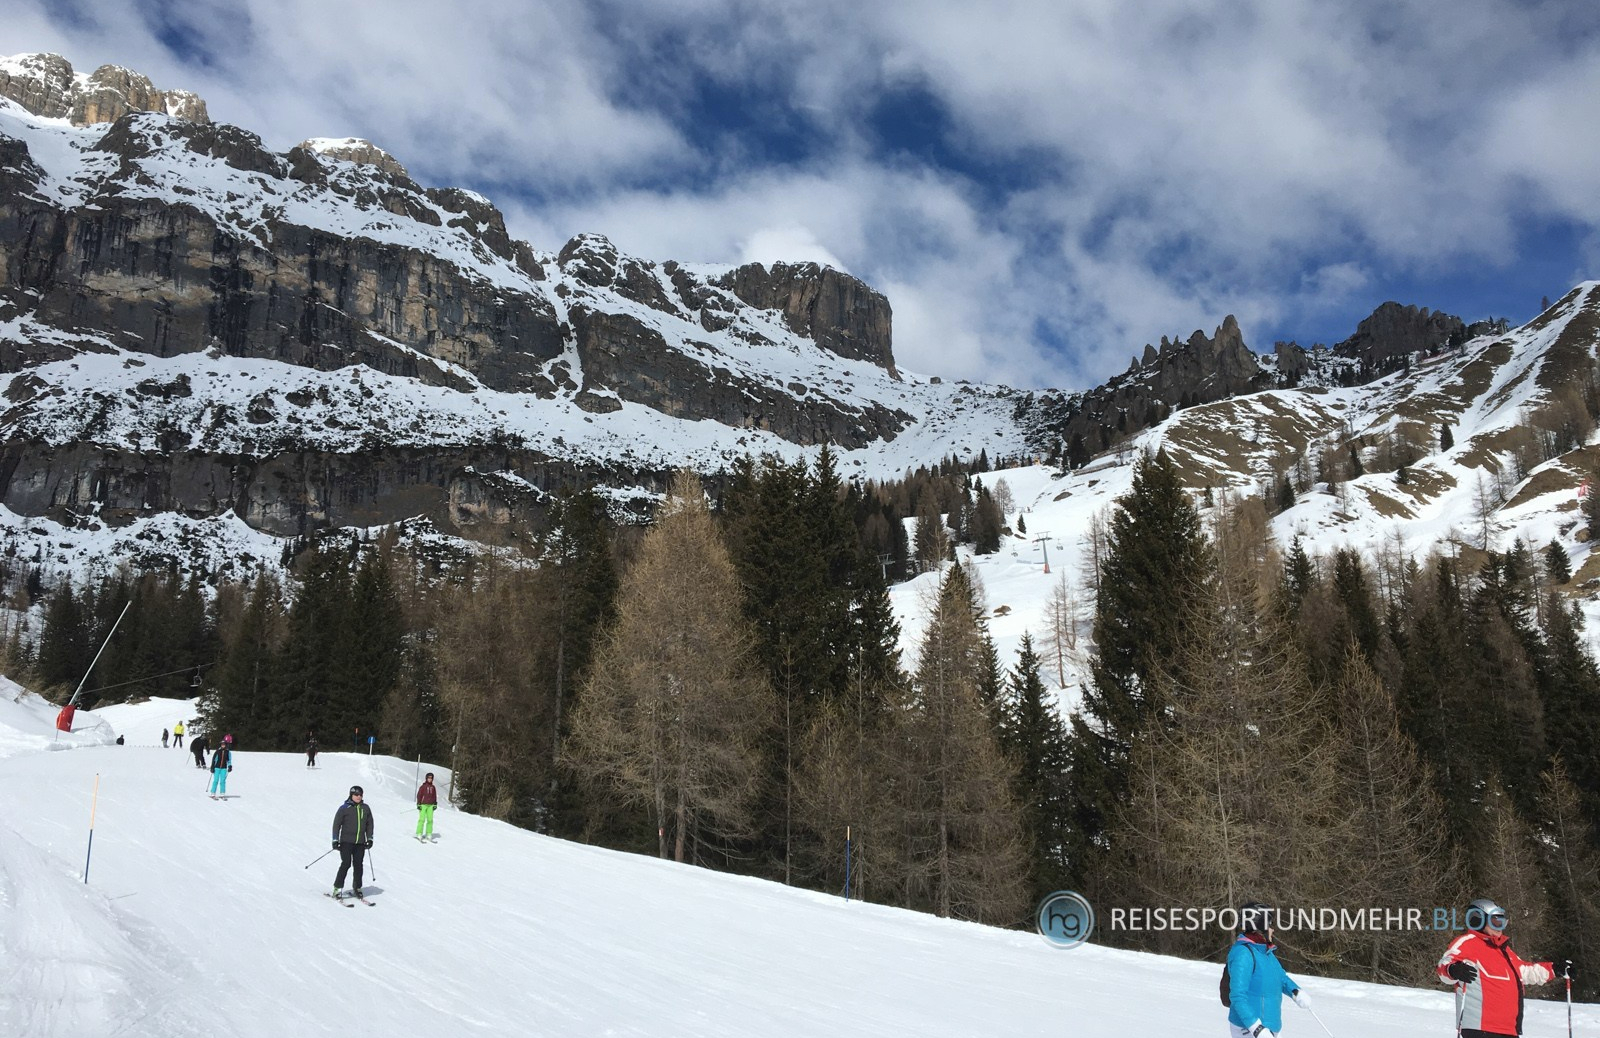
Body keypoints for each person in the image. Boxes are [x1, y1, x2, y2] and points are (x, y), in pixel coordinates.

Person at [1437, 897, 1560, 1037]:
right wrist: (1453, 970)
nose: (1500, 927)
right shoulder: (1467, 943)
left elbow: (1525, 972)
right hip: (1480, 1029)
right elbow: (1443, 966)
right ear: (1479, 920)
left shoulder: (1504, 951)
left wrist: (1554, 969)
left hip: (1508, 1030)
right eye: (1495, 922)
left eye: (1502, 922)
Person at [1227, 902, 1308, 1037]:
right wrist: (1256, 1027)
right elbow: (1237, 996)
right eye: (1270, 925)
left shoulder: (1265, 952)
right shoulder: (1243, 954)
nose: (1273, 929)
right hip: (1249, 1029)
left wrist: (1296, 991)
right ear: (1260, 926)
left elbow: (1281, 978)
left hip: (1270, 1026)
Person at [331, 785, 375, 899]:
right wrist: (335, 840)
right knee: (346, 864)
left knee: (358, 865)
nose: (359, 797)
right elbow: (336, 824)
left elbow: (370, 824)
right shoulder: (344, 808)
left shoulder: (365, 808)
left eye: (360, 795)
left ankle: (357, 887)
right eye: (356, 795)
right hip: (346, 842)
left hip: (360, 842)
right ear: (351, 795)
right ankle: (337, 888)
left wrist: (369, 838)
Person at [416, 772, 437, 841]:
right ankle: (419, 833)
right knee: (422, 819)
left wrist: (435, 804)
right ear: (426, 778)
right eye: (429, 778)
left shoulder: (433, 787)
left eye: (431, 778)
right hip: (423, 805)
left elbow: (434, 796)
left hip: (430, 806)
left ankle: (429, 833)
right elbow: (419, 795)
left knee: (430, 820)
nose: (430, 779)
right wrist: (418, 804)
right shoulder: (423, 787)